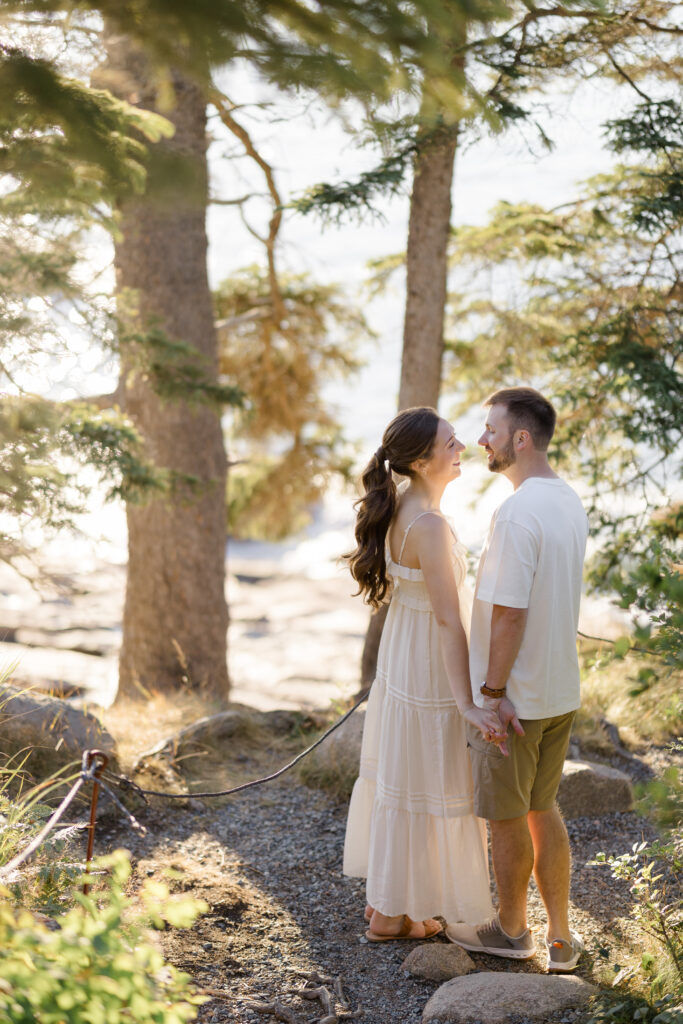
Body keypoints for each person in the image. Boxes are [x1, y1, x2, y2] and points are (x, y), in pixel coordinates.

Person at [343, 406, 505, 942]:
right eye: (451, 443)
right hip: (429, 661)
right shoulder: (429, 525)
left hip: (403, 651)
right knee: (431, 773)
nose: (462, 448)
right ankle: (391, 916)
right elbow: (447, 620)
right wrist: (467, 701)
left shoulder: (398, 508)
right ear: (419, 459)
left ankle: (389, 904)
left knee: (406, 774)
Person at [445, 387, 588, 973]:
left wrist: (493, 695)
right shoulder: (568, 500)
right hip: (559, 691)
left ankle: (510, 931)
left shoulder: (516, 510)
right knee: (543, 807)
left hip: (519, 699)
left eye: (490, 430)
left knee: (505, 816)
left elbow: (509, 612)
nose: (481, 440)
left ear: (520, 439)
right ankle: (561, 937)